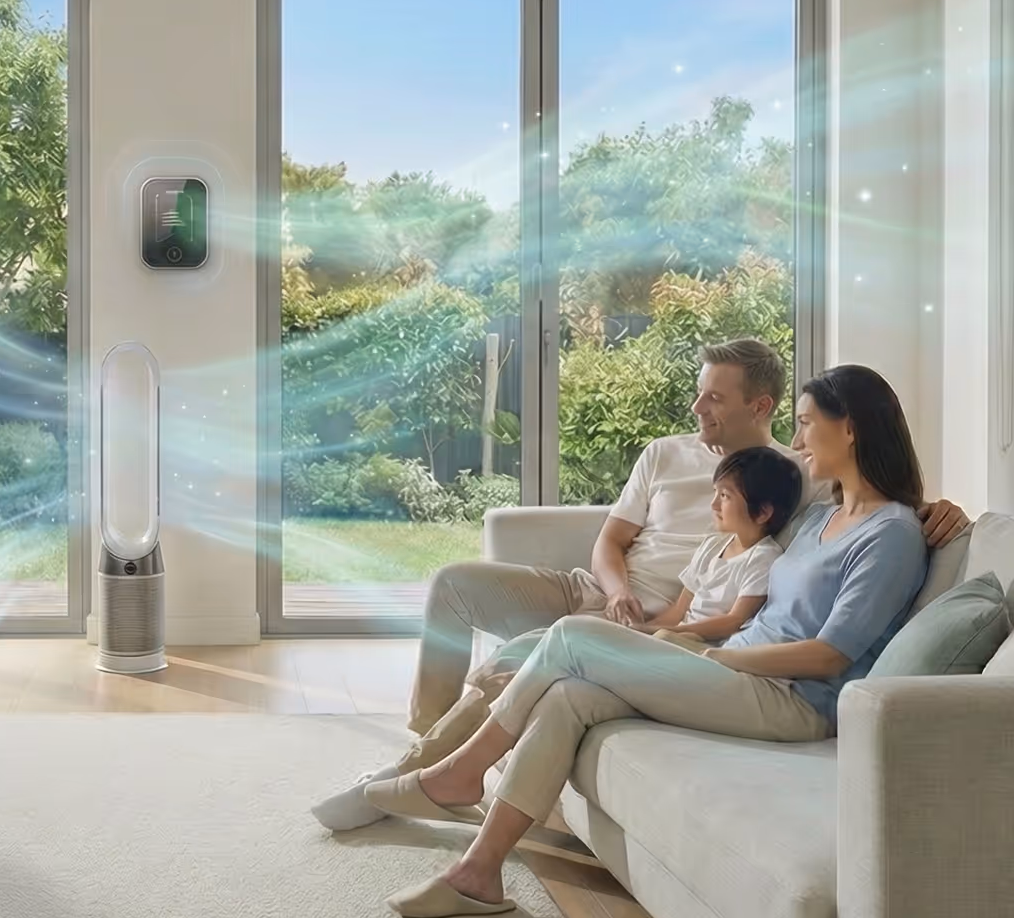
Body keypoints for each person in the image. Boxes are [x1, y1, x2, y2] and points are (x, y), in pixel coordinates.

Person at [309, 339, 968, 832]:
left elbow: (872, 529)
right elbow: (612, 538)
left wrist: (936, 512)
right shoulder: (679, 458)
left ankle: (439, 778)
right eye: (700, 393)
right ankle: (439, 785)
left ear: (760, 406)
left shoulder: (797, 480)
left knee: (541, 659)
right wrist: (620, 594)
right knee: (480, 610)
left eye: (714, 396)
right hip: (617, 601)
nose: (698, 406)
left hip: (699, 635)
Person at [634, 445, 804, 652]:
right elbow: (679, 610)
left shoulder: (764, 559)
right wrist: (642, 631)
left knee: (662, 637)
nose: (713, 505)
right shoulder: (712, 546)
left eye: (724, 495)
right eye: (716, 492)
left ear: (762, 513)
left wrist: (668, 632)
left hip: (708, 647)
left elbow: (734, 621)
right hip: (676, 635)